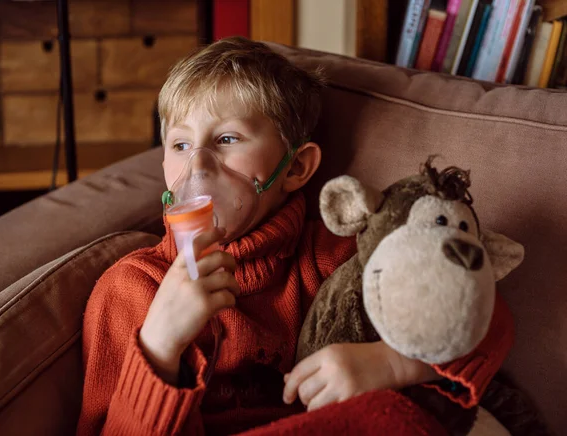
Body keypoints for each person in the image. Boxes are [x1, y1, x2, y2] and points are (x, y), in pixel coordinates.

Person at [77, 37, 513, 435]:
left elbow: (476, 312)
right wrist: (159, 347)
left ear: (297, 167)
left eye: (227, 138)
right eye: (180, 145)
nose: (199, 166)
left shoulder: (337, 260)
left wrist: (390, 365)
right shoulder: (130, 290)